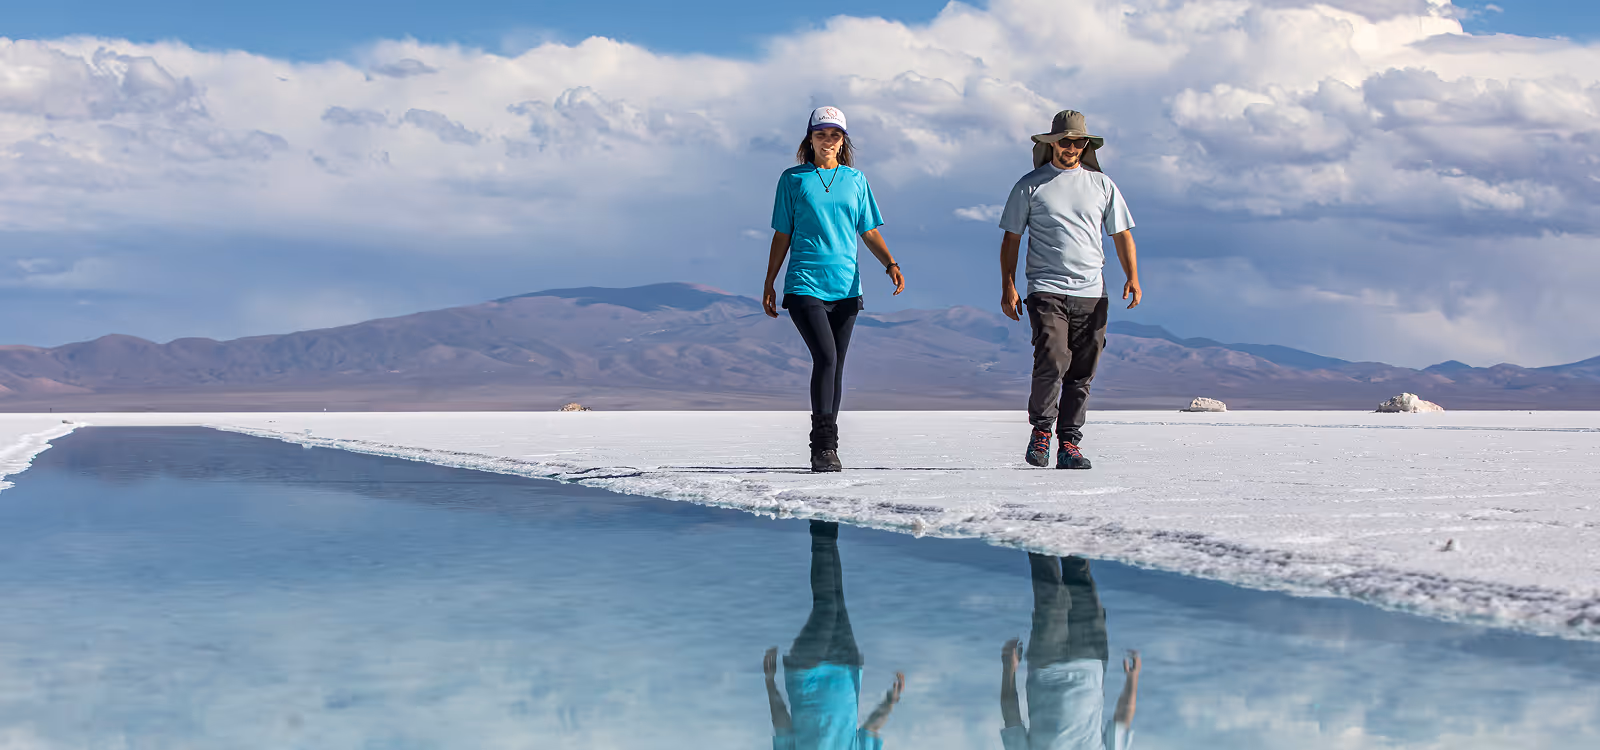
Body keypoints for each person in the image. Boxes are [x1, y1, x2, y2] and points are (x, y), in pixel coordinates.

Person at [764, 106, 906, 473]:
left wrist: (890, 263)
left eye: (835, 135)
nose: (828, 140)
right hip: (805, 282)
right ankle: (824, 448)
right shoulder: (793, 179)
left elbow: (868, 230)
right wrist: (770, 280)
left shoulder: (856, 180)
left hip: (845, 287)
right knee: (825, 358)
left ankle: (828, 446)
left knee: (837, 366)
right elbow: (783, 233)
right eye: (821, 134)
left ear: (844, 141)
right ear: (809, 138)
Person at [997, 110, 1142, 470]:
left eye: (1078, 142)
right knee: (1052, 357)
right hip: (1046, 287)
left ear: (1085, 145)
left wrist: (1132, 277)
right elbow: (1011, 238)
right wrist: (1008, 285)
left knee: (1082, 371)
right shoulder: (1030, 185)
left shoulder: (1102, 185)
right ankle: (1042, 432)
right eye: (1065, 141)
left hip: (1092, 291)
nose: (1071, 148)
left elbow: (1122, 234)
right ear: (1052, 144)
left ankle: (1070, 444)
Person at [764, 520, 906, 748]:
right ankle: (827, 526)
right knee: (836, 596)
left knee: (826, 604)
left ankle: (821, 528)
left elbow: (782, 725)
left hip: (806, 675)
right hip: (847, 667)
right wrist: (891, 701)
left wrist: (770, 682)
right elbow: (870, 729)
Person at [1000, 554, 1140, 750]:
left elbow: (1011, 717)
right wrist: (1132, 680)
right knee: (1081, 580)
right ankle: (1072, 525)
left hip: (1046, 666)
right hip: (1091, 659)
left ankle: (1038, 526)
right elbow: (1121, 722)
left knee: (1049, 589)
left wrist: (1009, 669)